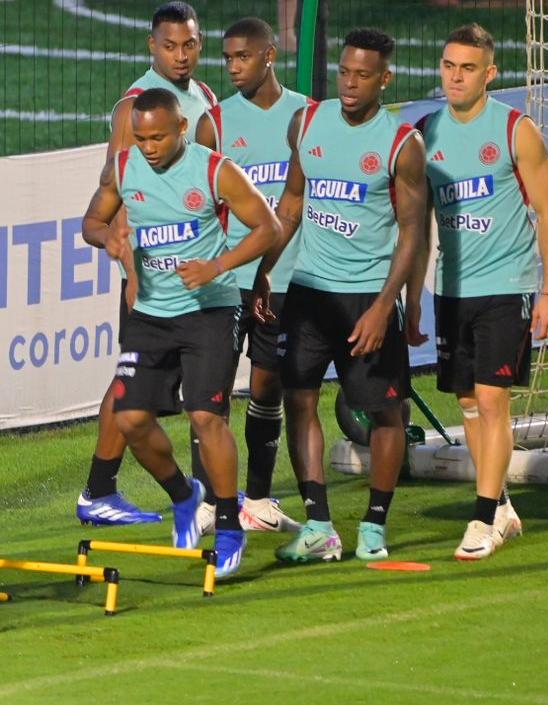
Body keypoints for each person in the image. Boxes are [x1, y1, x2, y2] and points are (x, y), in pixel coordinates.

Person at [84, 88, 282, 577]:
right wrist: (108, 236)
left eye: (158, 137)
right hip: (150, 314)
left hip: (208, 312)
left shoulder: (215, 170)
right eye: (142, 137)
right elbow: (91, 220)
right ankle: (183, 494)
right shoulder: (124, 168)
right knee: (130, 419)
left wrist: (218, 266)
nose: (148, 147)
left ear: (180, 131)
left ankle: (230, 522)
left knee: (204, 416)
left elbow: (269, 227)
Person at [271, 28, 429, 563]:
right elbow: (292, 202)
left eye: (363, 75)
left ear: (385, 79)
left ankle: (375, 526)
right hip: (309, 293)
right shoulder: (307, 123)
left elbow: (412, 230)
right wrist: (263, 274)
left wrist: (389, 305)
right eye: (344, 72)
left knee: (386, 414)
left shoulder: (401, 143)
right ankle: (319, 525)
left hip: (367, 297)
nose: (350, 84)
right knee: (299, 400)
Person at [79, 0, 220, 527]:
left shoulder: (203, 96)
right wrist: (133, 274)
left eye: (188, 45)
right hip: (153, 281)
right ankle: (99, 489)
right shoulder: (134, 105)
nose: (180, 56)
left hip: (198, 277)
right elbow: (115, 193)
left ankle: (204, 498)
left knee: (195, 392)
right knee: (131, 385)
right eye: (169, 46)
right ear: (151, 46)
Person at [418, 23, 548, 559]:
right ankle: (498, 505)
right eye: (449, 66)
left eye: (468, 68)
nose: (456, 76)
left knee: (494, 400)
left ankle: (481, 522)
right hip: (451, 289)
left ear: (490, 74)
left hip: (507, 286)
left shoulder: (516, 130)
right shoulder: (427, 132)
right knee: (470, 402)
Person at [201, 17, 312, 535]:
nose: (232, 67)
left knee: (269, 387)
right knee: (213, 392)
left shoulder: (306, 115)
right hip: (228, 281)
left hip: (287, 279)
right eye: (226, 59)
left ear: (269, 55)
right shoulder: (215, 124)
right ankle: (208, 503)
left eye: (242, 57)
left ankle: (261, 500)